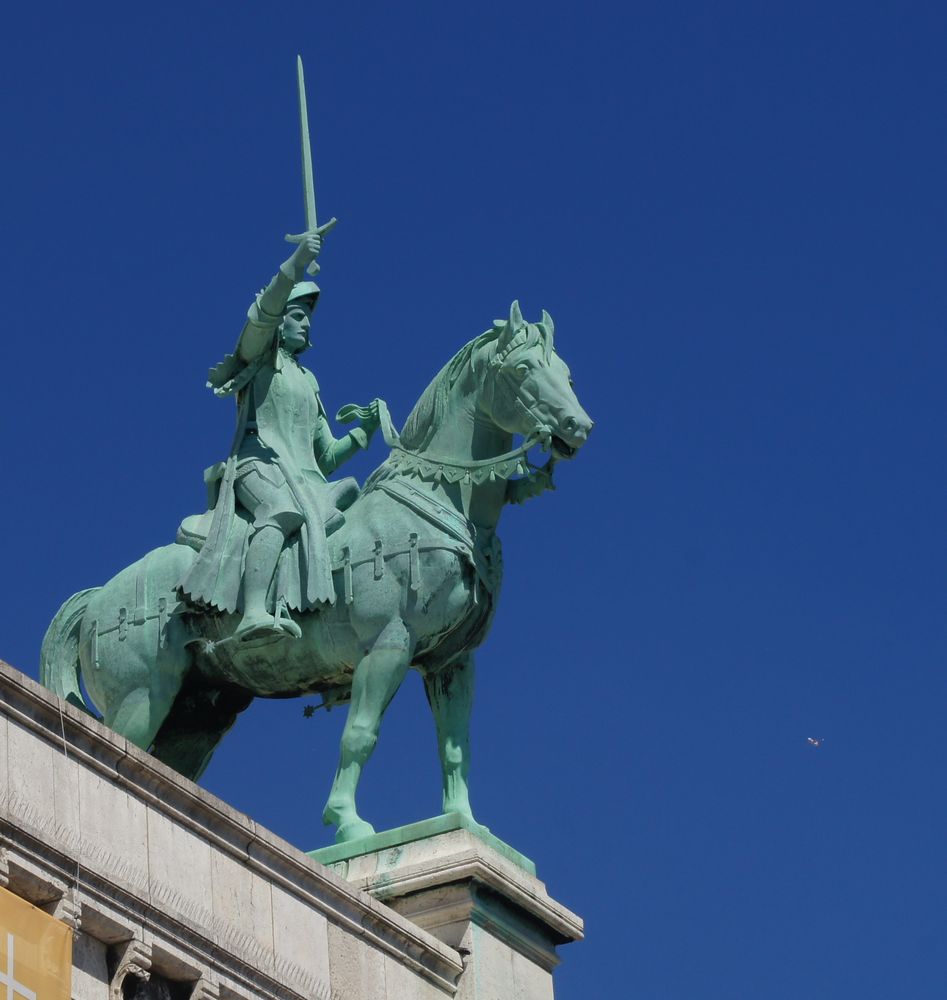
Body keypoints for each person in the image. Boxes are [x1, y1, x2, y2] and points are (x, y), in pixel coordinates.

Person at [177, 231, 380, 641]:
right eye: (298, 316)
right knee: (280, 510)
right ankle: (253, 611)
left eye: (307, 318)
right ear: (280, 322)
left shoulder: (308, 379)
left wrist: (365, 431)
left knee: (352, 493)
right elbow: (261, 316)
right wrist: (296, 263)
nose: (306, 324)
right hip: (257, 462)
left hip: (305, 475)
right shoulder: (260, 356)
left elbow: (325, 454)